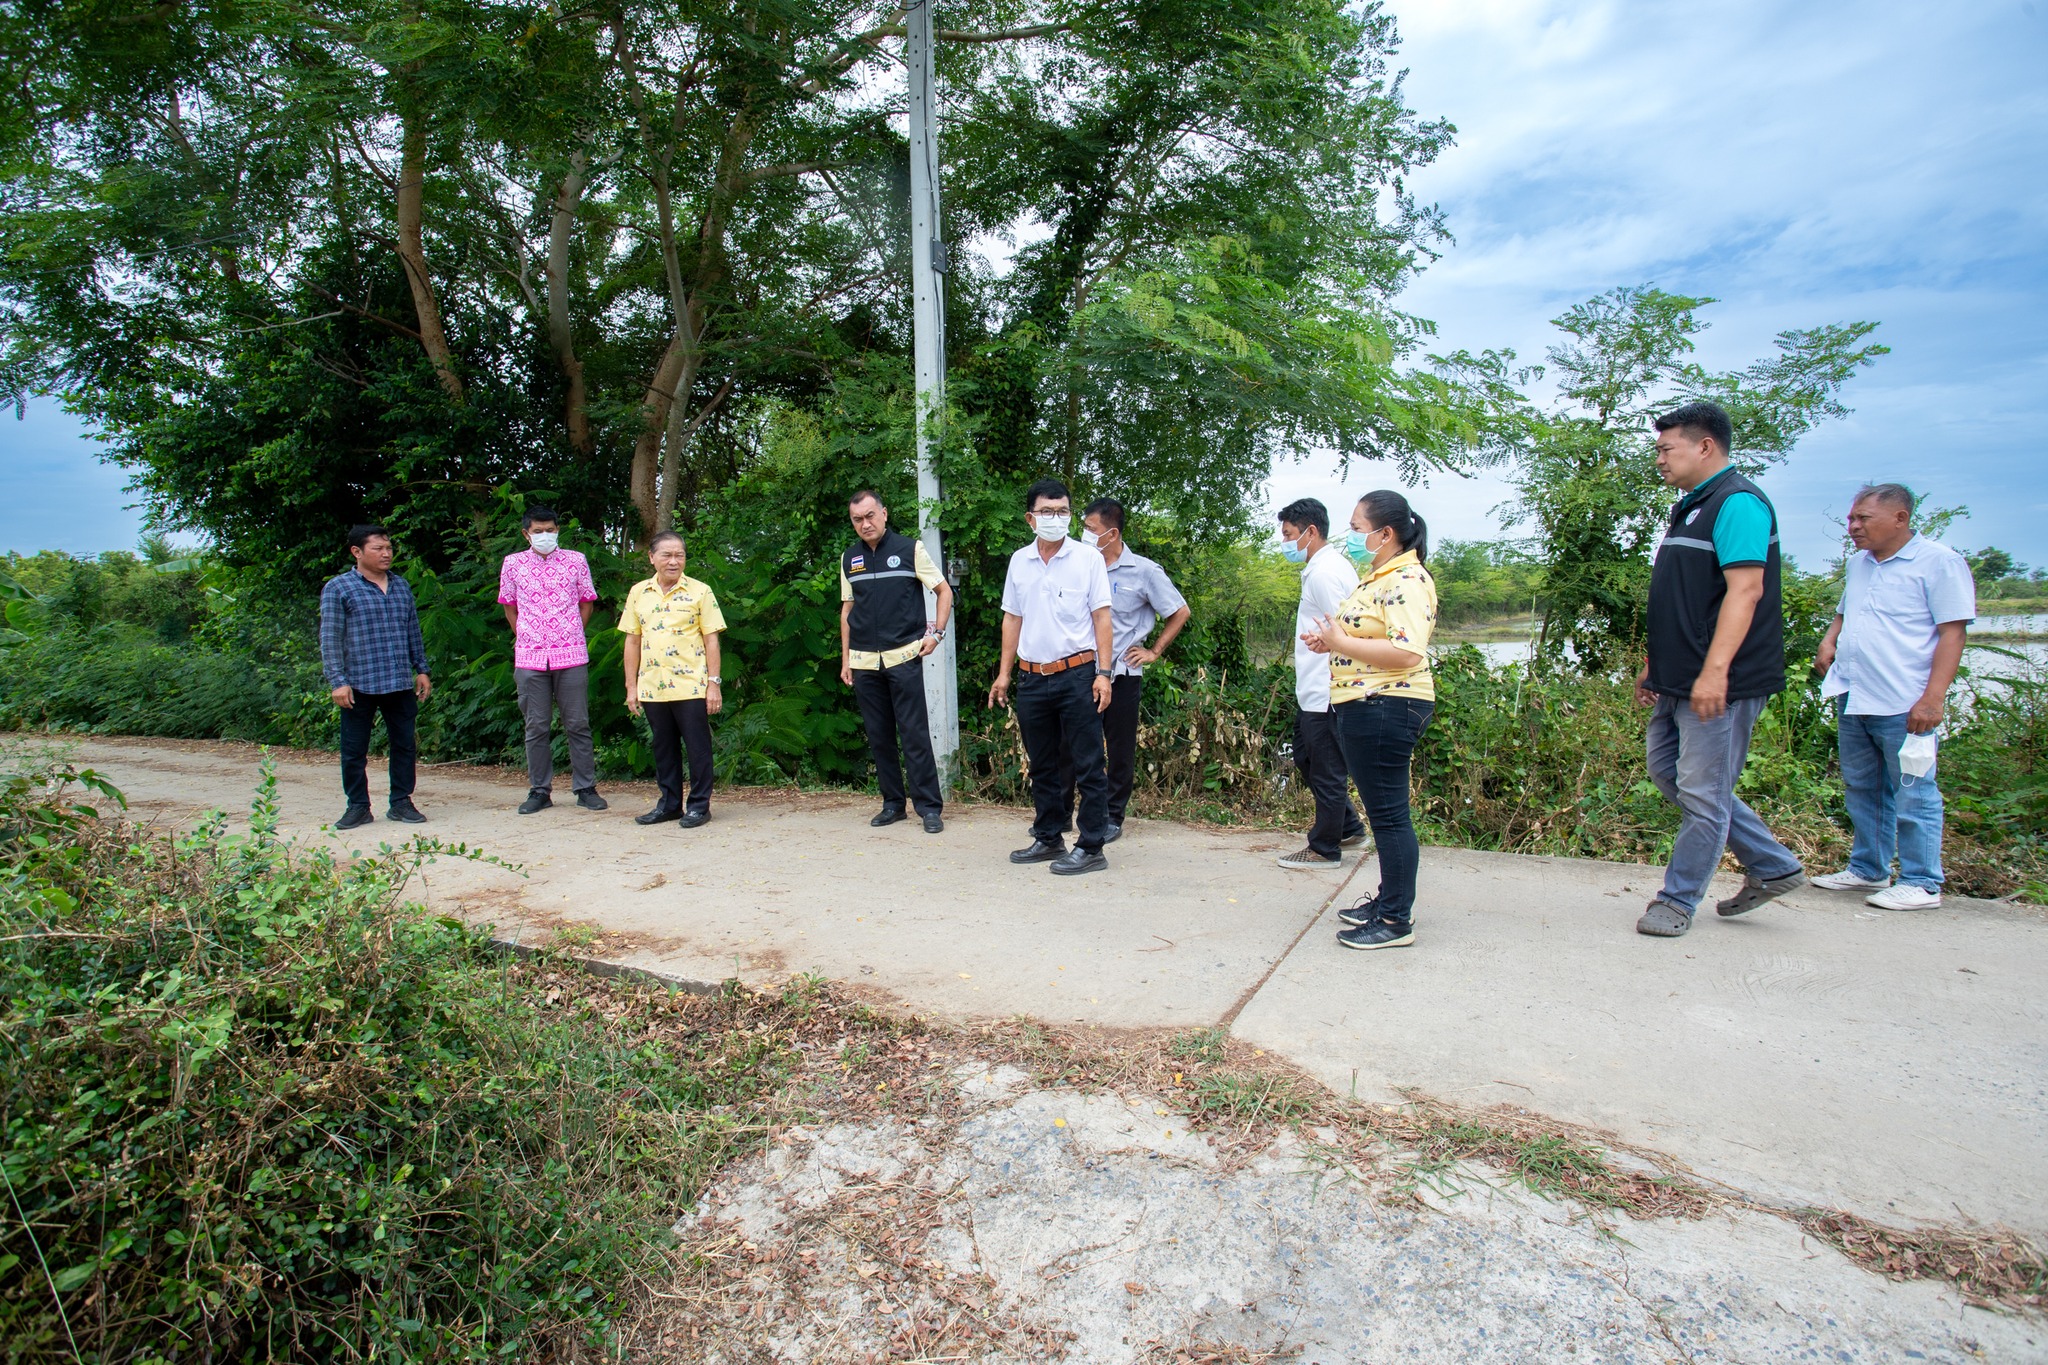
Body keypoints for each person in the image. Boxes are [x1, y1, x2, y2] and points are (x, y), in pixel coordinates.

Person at [1634, 400, 1806, 938]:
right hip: (1676, 677)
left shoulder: (1740, 503)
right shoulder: (1692, 506)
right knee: (1669, 773)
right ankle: (1773, 864)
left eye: (1667, 449)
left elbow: (1746, 589)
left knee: (1705, 794)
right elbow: (1683, 598)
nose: (1659, 459)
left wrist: (1715, 673)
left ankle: (1677, 900)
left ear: (1704, 446)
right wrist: (1652, 663)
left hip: (1719, 682)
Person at [1813, 483, 1975, 910]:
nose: (1853, 526)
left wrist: (1933, 698)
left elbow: (1952, 633)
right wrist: (1830, 639)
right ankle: (1869, 869)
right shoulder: (1859, 564)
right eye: (1852, 518)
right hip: (1855, 692)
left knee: (1914, 790)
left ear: (1900, 518)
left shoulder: (1939, 563)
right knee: (1863, 786)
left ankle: (1922, 882)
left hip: (1904, 700)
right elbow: (1846, 611)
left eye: (1863, 518)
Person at [1303, 491, 1437, 950]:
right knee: (1385, 816)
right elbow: (1362, 638)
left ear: (1386, 534)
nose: (1353, 536)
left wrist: (1342, 642)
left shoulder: (1407, 580)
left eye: (1359, 528)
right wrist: (1331, 642)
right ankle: (1387, 902)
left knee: (1390, 817)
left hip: (1387, 704)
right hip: (1365, 703)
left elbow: (1406, 651)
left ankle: (1396, 920)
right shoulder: (1378, 577)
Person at [988, 478, 1115, 876]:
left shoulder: (1087, 559)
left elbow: (1102, 618)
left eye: (1062, 512)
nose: (1055, 519)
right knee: (1041, 763)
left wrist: (1104, 673)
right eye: (1047, 512)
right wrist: (1004, 674)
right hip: (1031, 678)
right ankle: (1048, 837)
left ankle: (1092, 845)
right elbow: (1012, 618)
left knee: (1088, 763)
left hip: (1077, 674)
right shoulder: (1019, 562)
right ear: (1030, 518)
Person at [1050, 497, 1190, 842]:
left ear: (1111, 533)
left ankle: (1112, 816)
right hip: (1081, 670)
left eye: (1090, 529)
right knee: (1069, 746)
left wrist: (1154, 650)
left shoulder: (1144, 571)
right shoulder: (1078, 565)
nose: (1083, 534)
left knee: (1119, 746)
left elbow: (1179, 611)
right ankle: (1061, 813)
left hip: (1121, 675)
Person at [839, 489, 954, 834]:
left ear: (884, 514)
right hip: (862, 662)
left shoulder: (910, 549)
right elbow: (847, 610)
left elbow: (944, 590)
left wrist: (936, 634)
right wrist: (845, 659)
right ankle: (893, 804)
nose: (865, 523)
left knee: (914, 733)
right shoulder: (849, 558)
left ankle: (929, 808)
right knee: (879, 736)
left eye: (870, 515)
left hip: (904, 656)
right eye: (858, 519)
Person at [1275, 497, 1370, 871]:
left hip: (1329, 689)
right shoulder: (1322, 568)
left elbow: (1347, 628)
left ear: (1311, 532)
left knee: (1325, 768)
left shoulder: (1325, 572)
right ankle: (1348, 827)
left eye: (1289, 535)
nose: (1285, 542)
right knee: (1306, 757)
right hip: (1314, 689)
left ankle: (1324, 847)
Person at [318, 523, 432, 830]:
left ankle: (401, 802)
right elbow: (330, 638)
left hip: (397, 680)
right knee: (354, 749)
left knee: (404, 744)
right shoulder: (339, 588)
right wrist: (337, 681)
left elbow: (412, 631)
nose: (386, 554)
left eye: (389, 548)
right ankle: (358, 806)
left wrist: (421, 669)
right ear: (357, 552)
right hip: (358, 683)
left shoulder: (401, 586)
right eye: (377, 549)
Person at [498, 504, 606, 815]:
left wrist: (571, 632)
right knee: (536, 726)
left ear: (558, 530)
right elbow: (509, 605)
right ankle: (539, 790)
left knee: (578, 724)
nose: (545, 535)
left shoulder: (576, 561)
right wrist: (527, 635)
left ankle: (586, 788)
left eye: (550, 530)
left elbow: (587, 602)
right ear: (525, 533)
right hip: (530, 657)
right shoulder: (513, 564)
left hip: (571, 654)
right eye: (538, 531)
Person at [619, 531, 726, 828]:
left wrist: (713, 683)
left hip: (691, 684)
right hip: (652, 685)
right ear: (651, 557)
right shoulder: (638, 592)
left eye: (679, 555)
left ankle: (699, 806)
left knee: (697, 747)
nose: (674, 561)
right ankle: (668, 804)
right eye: (666, 555)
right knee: (663, 748)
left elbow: (712, 640)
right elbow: (632, 641)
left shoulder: (700, 592)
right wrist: (631, 686)